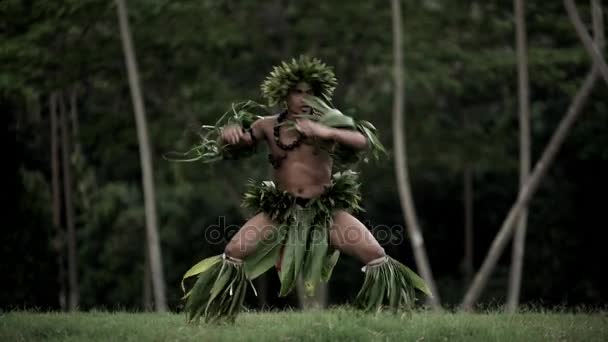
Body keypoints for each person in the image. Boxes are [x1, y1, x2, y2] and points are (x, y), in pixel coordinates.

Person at [177, 55, 431, 323]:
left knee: (375, 254)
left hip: (324, 210)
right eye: (297, 93)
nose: (303, 98)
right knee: (234, 250)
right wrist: (228, 135)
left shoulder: (330, 121)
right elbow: (239, 143)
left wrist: (325, 133)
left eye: (309, 93)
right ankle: (213, 317)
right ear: (284, 95)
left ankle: (396, 315)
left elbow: (361, 140)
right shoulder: (266, 125)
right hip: (281, 211)